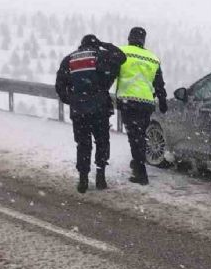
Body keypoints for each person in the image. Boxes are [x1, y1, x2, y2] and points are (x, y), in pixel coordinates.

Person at [55, 35, 126, 193]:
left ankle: (83, 179)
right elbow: (121, 57)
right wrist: (105, 44)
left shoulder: (69, 59)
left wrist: (72, 99)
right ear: (96, 45)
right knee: (102, 142)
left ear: (81, 45)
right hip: (100, 109)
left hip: (79, 111)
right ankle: (100, 176)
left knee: (83, 144)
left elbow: (59, 86)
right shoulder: (101, 56)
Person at [114, 26, 167, 185]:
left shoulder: (122, 53)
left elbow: (110, 74)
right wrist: (162, 101)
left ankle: (140, 172)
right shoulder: (152, 58)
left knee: (134, 137)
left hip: (128, 101)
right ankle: (137, 163)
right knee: (140, 135)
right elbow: (159, 84)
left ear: (130, 37)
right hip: (146, 103)